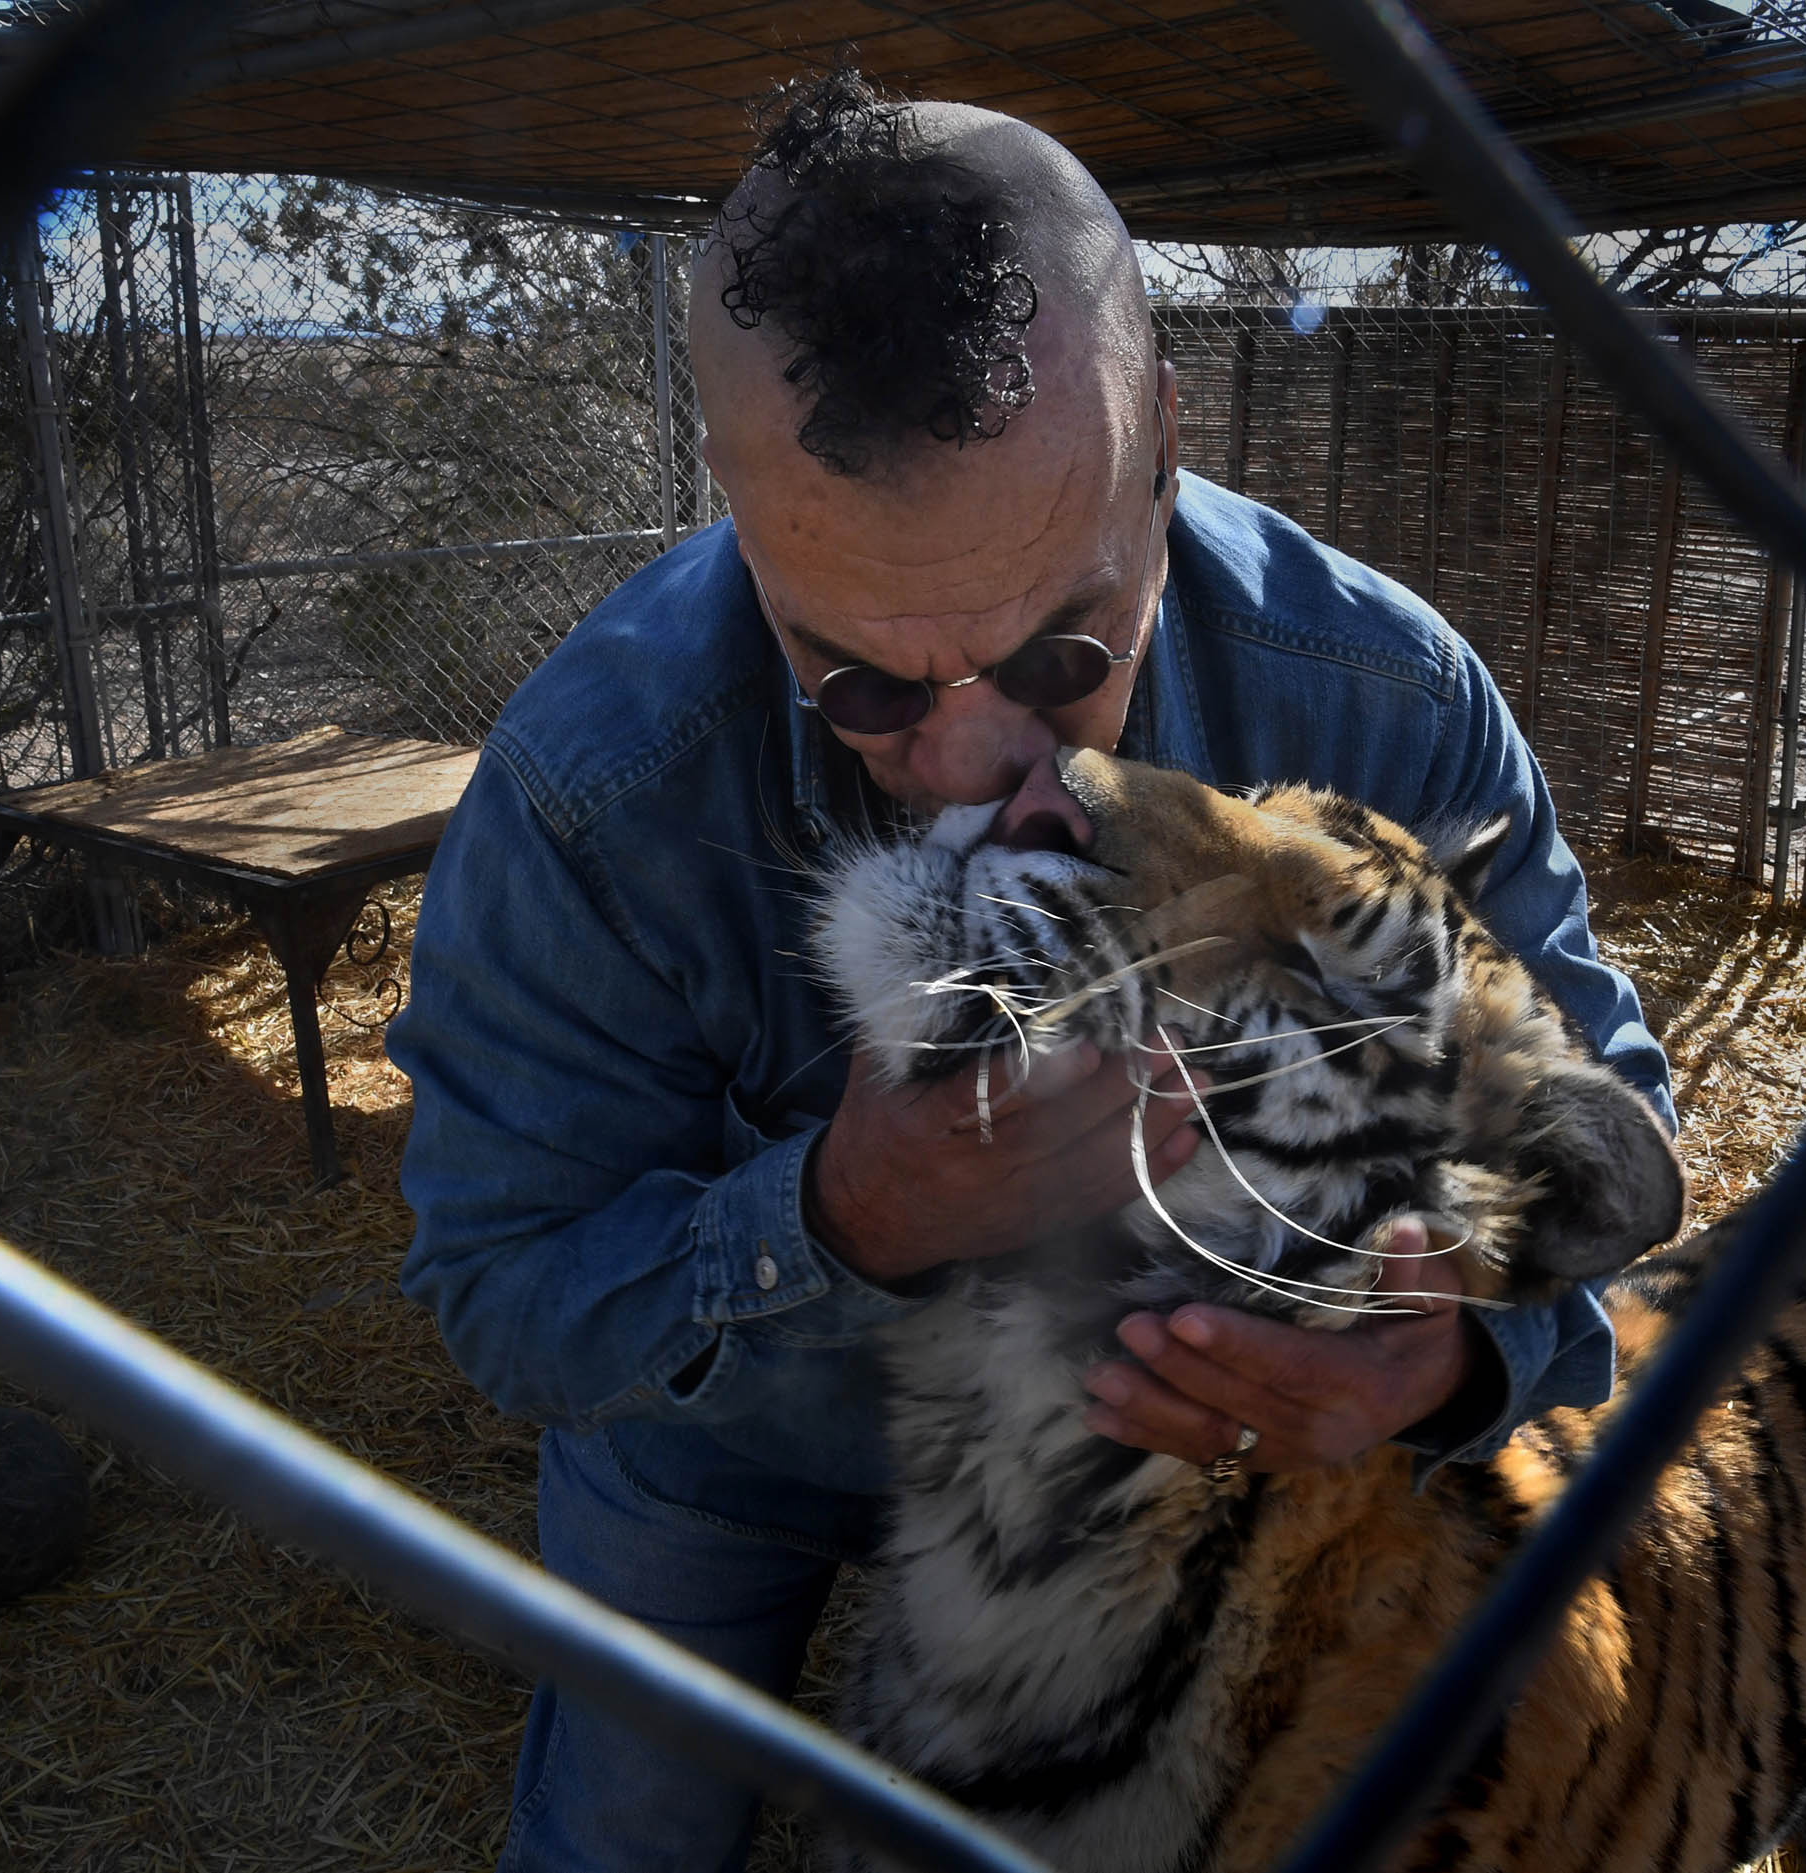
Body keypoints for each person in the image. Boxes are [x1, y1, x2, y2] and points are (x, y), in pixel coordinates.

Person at [387, 70, 1674, 1873]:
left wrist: (1447, 1362)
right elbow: (501, 1285)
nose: (986, 769)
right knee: (629, 1830)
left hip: (1154, 1494)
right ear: (741, 518)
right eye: (864, 687)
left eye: (1066, 653)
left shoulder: (1378, 690)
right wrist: (842, 1214)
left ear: (1166, 441)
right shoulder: (592, 785)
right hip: (730, 1451)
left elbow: (1606, 1121)